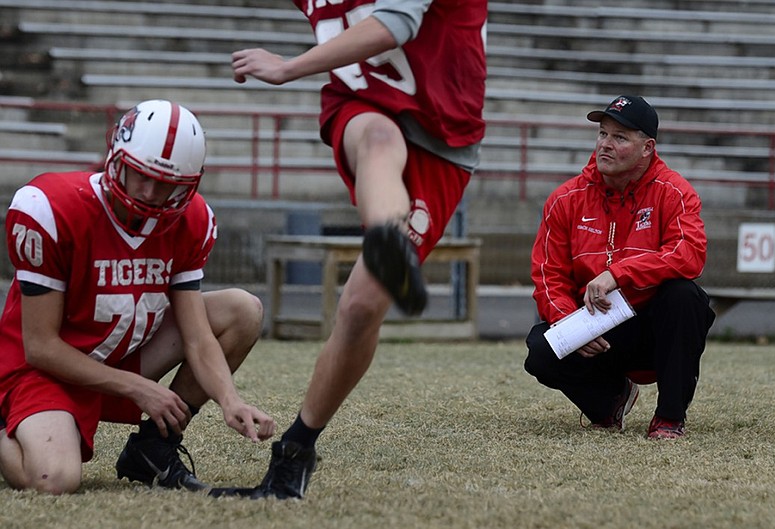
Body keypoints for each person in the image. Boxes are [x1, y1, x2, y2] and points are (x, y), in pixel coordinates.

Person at [210, 0, 487, 499]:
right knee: (379, 137)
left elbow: (394, 26)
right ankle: (387, 238)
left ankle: (297, 447)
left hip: (440, 133)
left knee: (360, 307)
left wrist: (287, 67)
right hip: (365, 107)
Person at [0, 100, 276, 495]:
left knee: (242, 311)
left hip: (118, 350)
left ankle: (153, 447)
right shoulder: (52, 207)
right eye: (140, 175)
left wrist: (230, 400)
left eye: (167, 184)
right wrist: (136, 386)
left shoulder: (191, 220)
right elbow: (40, 346)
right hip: (44, 368)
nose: (149, 192)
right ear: (116, 160)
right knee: (54, 480)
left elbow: (198, 336)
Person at [524, 95, 716, 440]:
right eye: (602, 134)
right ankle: (610, 401)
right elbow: (547, 275)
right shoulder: (565, 199)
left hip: (656, 329)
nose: (605, 145)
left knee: (685, 296)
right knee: (540, 350)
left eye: (620, 137)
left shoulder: (674, 192)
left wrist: (618, 273)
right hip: (600, 327)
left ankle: (670, 417)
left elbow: (690, 254)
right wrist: (571, 323)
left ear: (647, 148)